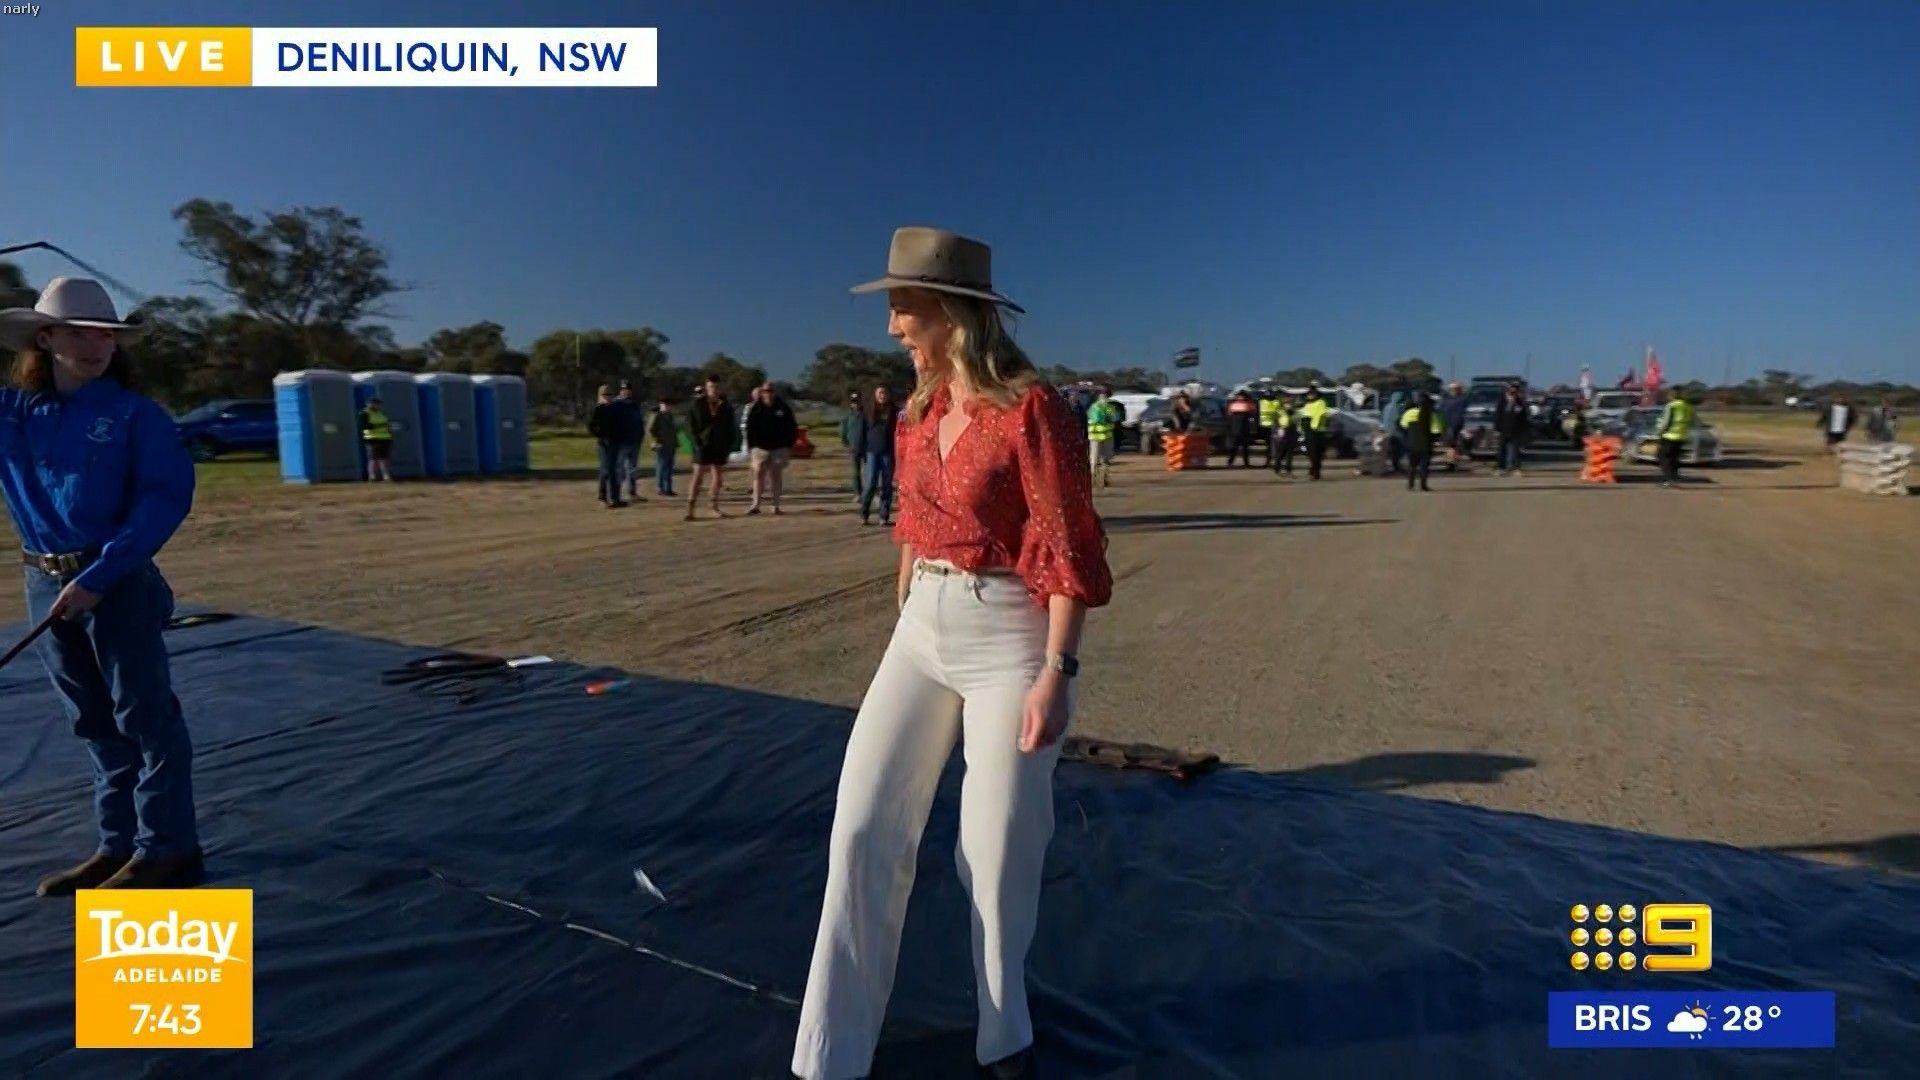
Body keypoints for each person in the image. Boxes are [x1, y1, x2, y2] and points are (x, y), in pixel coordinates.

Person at [795, 227, 1112, 1080]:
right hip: (922, 629)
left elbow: (1069, 546)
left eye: (903, 305)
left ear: (951, 311)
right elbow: (913, 514)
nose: (892, 324)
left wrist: (1058, 671)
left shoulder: (1035, 411)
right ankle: (828, 1054)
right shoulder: (917, 412)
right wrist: (909, 581)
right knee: (862, 825)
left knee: (996, 847)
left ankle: (1004, 1035)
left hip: (1009, 635)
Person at [0, 277, 203, 894]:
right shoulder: (14, 414)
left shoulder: (136, 416)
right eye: (79, 333)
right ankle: (117, 845)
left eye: (105, 335)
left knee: (144, 717)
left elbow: (165, 499)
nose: (95, 346)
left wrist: (100, 575)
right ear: (45, 339)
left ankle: (166, 848)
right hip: (43, 579)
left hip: (117, 582)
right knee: (90, 720)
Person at [684, 376, 735, 520]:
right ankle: (690, 508)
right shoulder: (697, 404)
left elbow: (730, 428)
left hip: (719, 445)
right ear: (707, 388)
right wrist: (696, 441)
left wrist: (728, 444)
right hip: (702, 444)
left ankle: (713, 506)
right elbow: (690, 425)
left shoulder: (726, 406)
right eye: (711, 387)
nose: (714, 390)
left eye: (716, 387)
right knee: (698, 475)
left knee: (717, 476)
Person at [745, 382, 798, 515]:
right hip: (760, 447)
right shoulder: (756, 408)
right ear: (762, 393)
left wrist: (788, 444)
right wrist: (752, 446)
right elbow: (750, 428)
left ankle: (775, 505)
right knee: (758, 473)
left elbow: (792, 427)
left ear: (774, 393)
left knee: (776, 474)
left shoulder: (783, 408)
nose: (767, 393)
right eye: (765, 391)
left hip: (779, 447)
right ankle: (756, 504)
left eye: (770, 391)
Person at [857, 384, 899, 526]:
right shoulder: (868, 411)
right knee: (870, 484)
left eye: (884, 393)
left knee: (886, 485)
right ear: (875, 395)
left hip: (888, 452)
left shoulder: (894, 411)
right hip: (872, 452)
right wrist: (860, 450)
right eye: (880, 393)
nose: (882, 395)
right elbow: (861, 432)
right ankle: (864, 513)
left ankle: (884, 515)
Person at [586, 385, 628, 508]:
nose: (608, 397)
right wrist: (600, 435)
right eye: (605, 395)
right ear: (600, 396)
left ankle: (615, 497)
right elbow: (591, 426)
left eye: (609, 395)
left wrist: (621, 436)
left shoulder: (616, 408)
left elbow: (620, 424)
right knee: (606, 471)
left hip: (615, 443)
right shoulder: (598, 409)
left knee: (614, 471)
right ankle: (604, 497)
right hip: (604, 444)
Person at [1399, 391, 1444, 491]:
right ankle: (1423, 485)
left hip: (1411, 443)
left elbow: (1403, 426)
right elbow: (1436, 431)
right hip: (1425, 444)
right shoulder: (1431, 415)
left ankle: (1410, 485)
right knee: (1424, 466)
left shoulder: (1409, 413)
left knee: (1412, 465)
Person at [1085, 384, 1122, 487]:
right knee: (1100, 459)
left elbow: (1116, 418)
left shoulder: (1098, 407)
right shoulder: (1103, 407)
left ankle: (1098, 478)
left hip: (1100, 436)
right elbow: (1113, 418)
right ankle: (1098, 479)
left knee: (1099, 459)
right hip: (1101, 436)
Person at [1656, 388, 1694, 487]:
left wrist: (1660, 432)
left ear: (1672, 395)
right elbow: (1690, 421)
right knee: (1675, 458)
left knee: (1663, 457)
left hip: (1670, 435)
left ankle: (1668, 479)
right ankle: (1675, 477)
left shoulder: (1671, 406)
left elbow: (1666, 421)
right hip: (1682, 435)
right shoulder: (1688, 406)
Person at [615, 382, 646, 502]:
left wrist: (641, 434)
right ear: (620, 391)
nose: (626, 391)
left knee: (633, 469)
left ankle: (632, 492)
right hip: (622, 442)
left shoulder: (634, 405)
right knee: (620, 469)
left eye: (628, 389)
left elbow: (639, 421)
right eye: (624, 389)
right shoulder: (616, 404)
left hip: (635, 441)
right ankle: (616, 493)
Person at [1494, 382, 1529, 476]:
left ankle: (1516, 468)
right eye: (1511, 392)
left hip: (1516, 430)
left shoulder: (1520, 403)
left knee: (1516, 450)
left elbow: (1524, 418)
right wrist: (1497, 429)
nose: (1513, 394)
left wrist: (1524, 431)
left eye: (1515, 392)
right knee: (1502, 450)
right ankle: (1501, 468)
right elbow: (1498, 416)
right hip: (1503, 429)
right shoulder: (1502, 402)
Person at [1298, 388, 1333, 480]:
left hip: (1317, 431)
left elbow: (1320, 415)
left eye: (1312, 394)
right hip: (1308, 431)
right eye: (1309, 394)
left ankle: (1316, 472)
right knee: (1311, 452)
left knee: (1317, 453)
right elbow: (1303, 416)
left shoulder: (1320, 403)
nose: (1310, 396)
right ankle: (1313, 469)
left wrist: (1314, 426)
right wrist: (1301, 428)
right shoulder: (1307, 404)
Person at [358, 394, 394, 481]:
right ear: (369, 404)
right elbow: (365, 427)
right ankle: (372, 476)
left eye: (379, 404)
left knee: (384, 458)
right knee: (373, 458)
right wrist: (380, 426)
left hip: (384, 439)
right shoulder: (364, 413)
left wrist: (390, 436)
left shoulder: (381, 413)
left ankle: (386, 475)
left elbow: (387, 425)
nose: (378, 405)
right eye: (376, 403)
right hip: (372, 439)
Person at [839, 391, 867, 501]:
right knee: (856, 472)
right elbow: (843, 431)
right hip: (853, 448)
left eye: (857, 401)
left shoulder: (866, 414)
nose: (856, 403)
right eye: (853, 401)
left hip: (866, 447)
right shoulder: (848, 416)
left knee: (868, 472)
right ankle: (858, 493)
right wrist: (846, 443)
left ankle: (870, 492)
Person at [648, 398, 679, 497]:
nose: (667, 407)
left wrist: (676, 442)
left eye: (668, 405)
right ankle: (660, 488)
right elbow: (651, 429)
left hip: (671, 445)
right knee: (662, 466)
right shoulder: (657, 415)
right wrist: (656, 440)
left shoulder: (670, 416)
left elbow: (673, 430)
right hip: (661, 445)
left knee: (670, 467)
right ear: (661, 405)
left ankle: (668, 488)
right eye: (664, 405)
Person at [1438, 382, 1468, 468]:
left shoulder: (1446, 400)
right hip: (1453, 424)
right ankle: (1452, 460)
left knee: (1451, 443)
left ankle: (1451, 460)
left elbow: (1441, 411)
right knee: (1453, 443)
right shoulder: (1463, 399)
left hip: (1453, 424)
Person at [1225, 391, 1258, 467]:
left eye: (1242, 396)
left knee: (1245, 448)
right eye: (1240, 396)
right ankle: (1230, 462)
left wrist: (1252, 428)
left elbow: (1253, 416)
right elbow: (1229, 417)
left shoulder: (1249, 404)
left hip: (1244, 429)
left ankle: (1246, 463)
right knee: (1234, 447)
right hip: (1235, 429)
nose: (1241, 398)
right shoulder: (1232, 404)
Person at [1380, 390, 1407, 474]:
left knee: (1391, 450)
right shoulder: (1398, 408)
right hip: (1396, 432)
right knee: (1398, 450)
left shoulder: (1387, 407)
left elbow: (1383, 419)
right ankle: (1396, 466)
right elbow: (1398, 420)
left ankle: (1394, 465)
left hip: (1387, 431)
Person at [1270, 395, 1298, 476]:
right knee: (1280, 452)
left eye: (1289, 403)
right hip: (1282, 432)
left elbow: (1296, 422)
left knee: (1289, 453)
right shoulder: (1279, 412)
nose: (1288, 405)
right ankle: (1277, 468)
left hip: (1291, 432)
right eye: (1286, 403)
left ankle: (1288, 469)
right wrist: (1277, 430)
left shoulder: (1294, 412)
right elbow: (1275, 422)